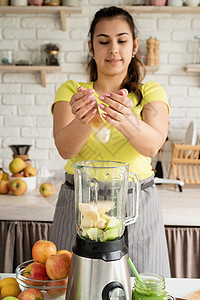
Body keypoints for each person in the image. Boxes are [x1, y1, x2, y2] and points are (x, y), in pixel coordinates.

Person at [50, 6, 171, 277]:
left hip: (136, 204)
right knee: (70, 287)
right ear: (91, 47)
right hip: (79, 203)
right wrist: (86, 117)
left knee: (145, 287)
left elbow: (152, 145)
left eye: (121, 40)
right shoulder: (72, 92)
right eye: (103, 41)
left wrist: (125, 117)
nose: (113, 49)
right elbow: (65, 148)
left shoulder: (151, 92)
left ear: (134, 45)